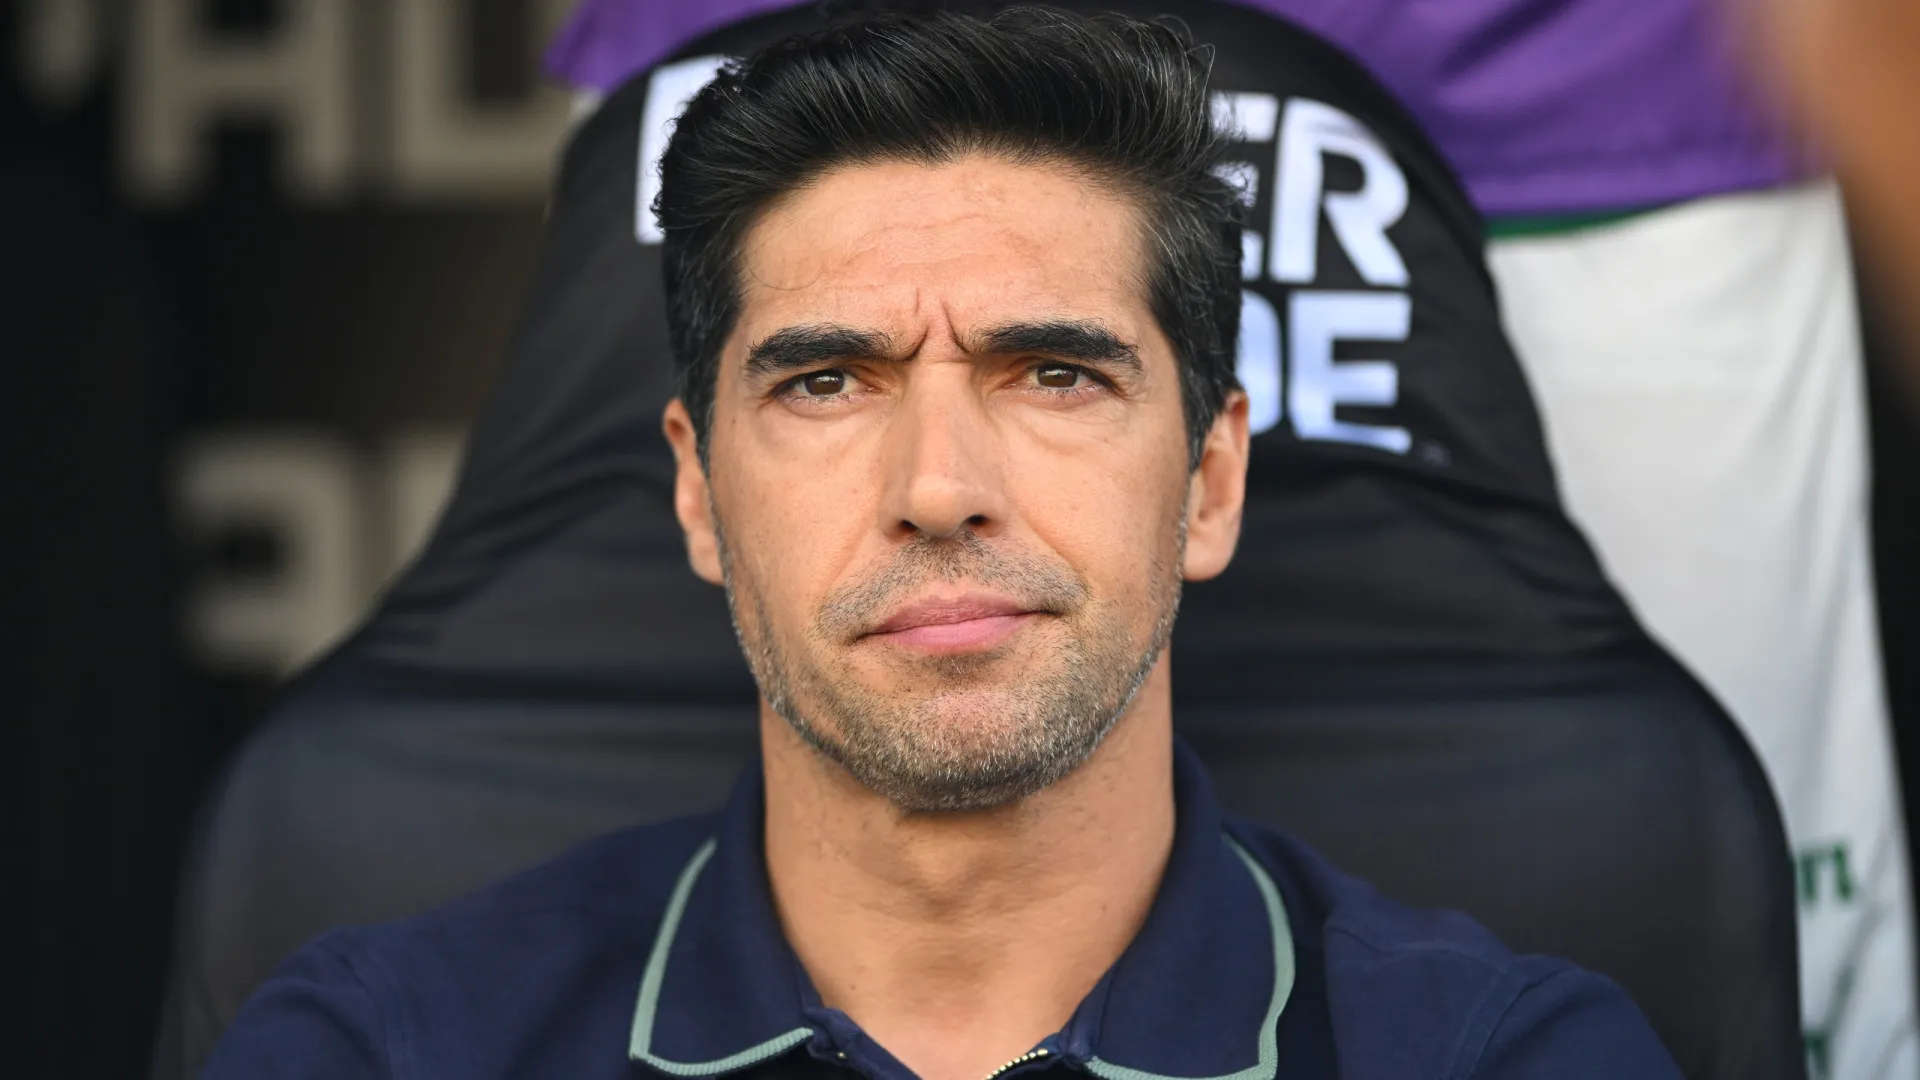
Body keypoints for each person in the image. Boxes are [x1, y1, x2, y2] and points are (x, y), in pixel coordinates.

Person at [200, 10, 1681, 1078]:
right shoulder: (378, 1048)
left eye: (1055, 374)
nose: (939, 486)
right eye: (826, 383)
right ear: (699, 493)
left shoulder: (1513, 1056)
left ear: (1211, 483)